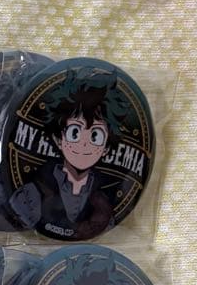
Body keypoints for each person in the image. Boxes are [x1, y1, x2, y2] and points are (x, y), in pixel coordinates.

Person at [7, 69, 127, 237]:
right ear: (58, 139)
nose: (84, 144)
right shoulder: (32, 193)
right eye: (74, 133)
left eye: (96, 136)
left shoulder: (107, 198)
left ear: (106, 148)